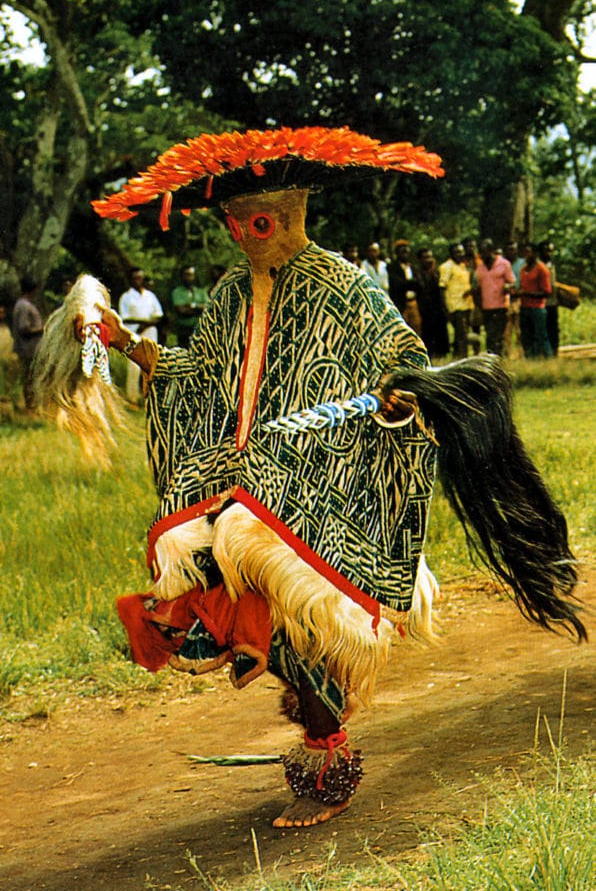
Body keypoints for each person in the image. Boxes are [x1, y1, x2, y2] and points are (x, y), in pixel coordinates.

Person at [40, 126, 584, 831]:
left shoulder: (345, 286)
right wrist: (125, 345)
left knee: (258, 554)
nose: (244, 238)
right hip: (241, 471)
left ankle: (326, 750)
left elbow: (403, 353)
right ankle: (269, 675)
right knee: (188, 545)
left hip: (332, 479)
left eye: (256, 223)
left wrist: (402, 393)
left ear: (290, 216)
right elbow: (201, 371)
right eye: (234, 225)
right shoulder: (234, 290)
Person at [118, 268, 163, 404]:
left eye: (141, 278)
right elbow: (125, 318)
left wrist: (147, 324)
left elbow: (158, 315)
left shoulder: (150, 296)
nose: (139, 281)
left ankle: (151, 397)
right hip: (133, 332)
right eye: (135, 278)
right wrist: (142, 323)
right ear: (131, 280)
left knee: (151, 363)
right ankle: (132, 397)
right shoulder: (126, 297)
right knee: (133, 366)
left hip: (149, 331)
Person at [474, 240, 515, 356]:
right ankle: (491, 358)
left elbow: (512, 282)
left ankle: (499, 358)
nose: (482, 255)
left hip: (501, 305)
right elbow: (478, 285)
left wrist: (507, 286)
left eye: (484, 252)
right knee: (489, 334)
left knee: (499, 334)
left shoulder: (504, 264)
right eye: (481, 252)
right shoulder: (480, 267)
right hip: (486, 306)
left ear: (491, 251)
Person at [12, 276, 44, 411]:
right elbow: (23, 328)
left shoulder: (22, 304)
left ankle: (32, 406)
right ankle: (31, 407)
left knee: (31, 378)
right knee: (30, 378)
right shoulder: (24, 306)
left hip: (29, 348)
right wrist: (41, 329)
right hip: (28, 348)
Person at [438, 243, 473, 359]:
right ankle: (462, 360)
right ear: (451, 253)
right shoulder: (446, 266)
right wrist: (445, 308)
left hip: (466, 305)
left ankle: (460, 358)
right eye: (457, 252)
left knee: (462, 336)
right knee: (461, 337)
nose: (460, 254)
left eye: (461, 251)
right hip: (455, 306)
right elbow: (442, 288)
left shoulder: (463, 266)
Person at [519, 243, 553, 358]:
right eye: (524, 253)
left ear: (534, 254)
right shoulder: (523, 269)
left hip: (537, 308)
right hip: (524, 307)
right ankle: (530, 361)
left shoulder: (541, 269)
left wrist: (526, 293)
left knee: (541, 337)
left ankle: (549, 360)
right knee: (526, 338)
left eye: (528, 253)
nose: (525, 256)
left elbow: (547, 292)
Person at [415, 248, 450, 360]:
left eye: (430, 257)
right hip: (425, 311)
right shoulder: (417, 274)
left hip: (438, 310)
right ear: (420, 260)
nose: (429, 260)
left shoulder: (438, 273)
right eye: (426, 257)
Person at [388, 240, 422, 334]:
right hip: (401, 304)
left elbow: (418, 284)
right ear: (397, 253)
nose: (405, 255)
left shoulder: (413, 267)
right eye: (402, 252)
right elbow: (398, 284)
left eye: (407, 252)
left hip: (414, 303)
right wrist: (410, 283)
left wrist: (408, 284)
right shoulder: (392, 267)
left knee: (416, 329)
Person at [170, 265, 210, 348]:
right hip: (184, 329)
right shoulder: (177, 292)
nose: (189, 277)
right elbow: (182, 311)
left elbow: (208, 307)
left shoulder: (201, 292)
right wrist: (199, 310)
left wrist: (192, 306)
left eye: (191, 274)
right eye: (186, 274)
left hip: (201, 328)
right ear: (182, 276)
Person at [503, 240, 524, 359]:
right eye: (509, 250)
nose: (512, 252)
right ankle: (507, 355)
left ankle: (521, 354)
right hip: (505, 299)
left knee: (520, 330)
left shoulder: (523, 263)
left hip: (520, 299)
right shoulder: (502, 264)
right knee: (507, 330)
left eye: (514, 249)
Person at [538, 241, 559, 357]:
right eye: (547, 250)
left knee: (553, 329)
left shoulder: (552, 265)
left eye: (551, 251)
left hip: (552, 302)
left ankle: (554, 353)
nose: (549, 253)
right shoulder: (537, 266)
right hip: (540, 303)